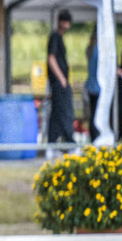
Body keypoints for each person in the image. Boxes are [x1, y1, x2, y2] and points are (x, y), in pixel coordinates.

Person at [46, 9, 75, 152]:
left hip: (59, 81)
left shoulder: (59, 37)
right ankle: (71, 144)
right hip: (59, 82)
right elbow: (51, 59)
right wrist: (62, 78)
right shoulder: (55, 37)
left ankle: (51, 145)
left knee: (56, 114)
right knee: (65, 113)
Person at [84, 28, 101, 140]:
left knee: (92, 114)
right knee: (98, 115)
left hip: (90, 86)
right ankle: (96, 137)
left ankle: (93, 137)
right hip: (98, 87)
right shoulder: (99, 50)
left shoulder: (89, 49)